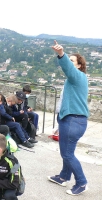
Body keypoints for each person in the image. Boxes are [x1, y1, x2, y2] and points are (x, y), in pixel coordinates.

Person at [47, 40, 89, 196]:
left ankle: (82, 183)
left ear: (78, 65)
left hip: (74, 120)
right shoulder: (74, 80)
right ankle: (64, 176)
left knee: (67, 154)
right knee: (66, 151)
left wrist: (61, 55)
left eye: (73, 61)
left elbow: (68, 68)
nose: (70, 64)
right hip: (69, 119)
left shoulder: (77, 76)